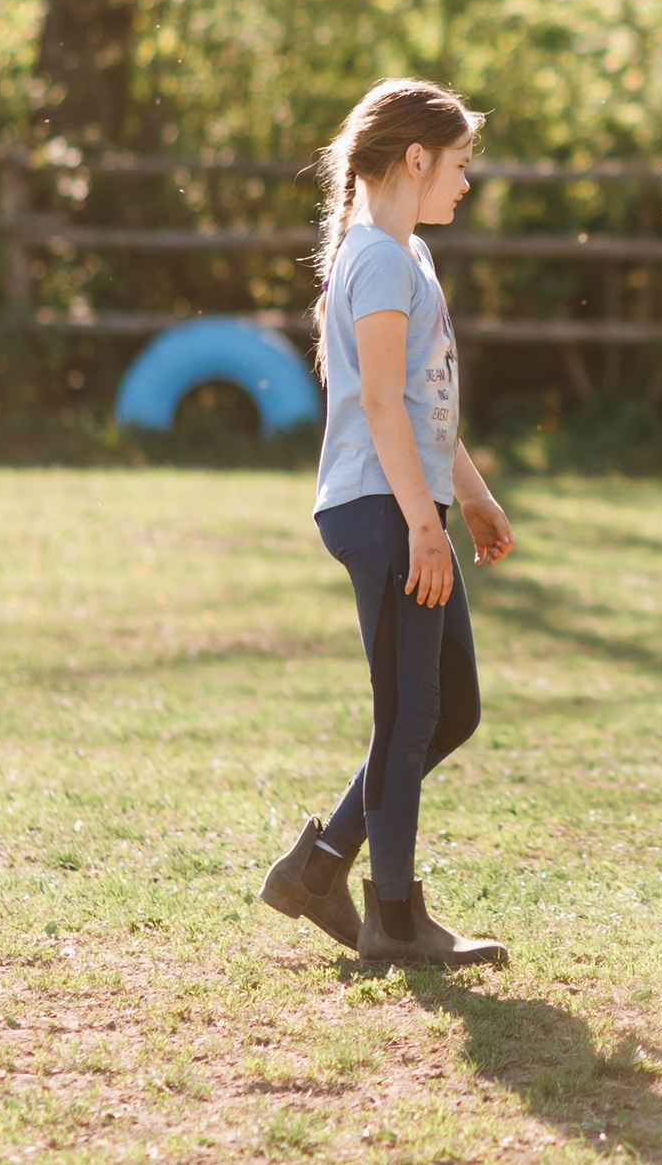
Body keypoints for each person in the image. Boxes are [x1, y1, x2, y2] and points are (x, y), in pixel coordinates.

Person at [259, 77, 517, 967]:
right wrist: (421, 522)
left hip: (407, 501)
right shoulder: (374, 257)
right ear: (415, 158)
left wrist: (469, 495)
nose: (466, 182)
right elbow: (376, 403)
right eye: (459, 164)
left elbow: (423, 401)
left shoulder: (408, 256)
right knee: (408, 716)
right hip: (379, 507)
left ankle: (322, 865)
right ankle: (394, 920)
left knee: (449, 710)